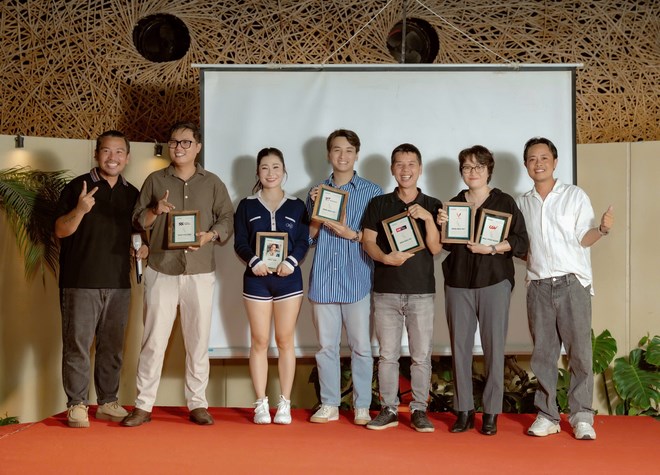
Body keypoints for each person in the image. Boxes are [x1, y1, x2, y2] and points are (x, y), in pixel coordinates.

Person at [121, 121, 234, 427]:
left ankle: (198, 403)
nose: (179, 148)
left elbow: (227, 218)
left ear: (198, 147)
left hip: (200, 271)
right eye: (173, 142)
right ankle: (143, 405)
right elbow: (138, 221)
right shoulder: (155, 180)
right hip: (162, 269)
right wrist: (155, 210)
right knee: (153, 341)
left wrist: (209, 236)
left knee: (197, 341)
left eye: (186, 143)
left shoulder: (212, 183)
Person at [517, 137, 613, 440]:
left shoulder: (574, 196)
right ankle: (547, 416)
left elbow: (584, 237)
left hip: (572, 283)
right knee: (543, 355)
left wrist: (602, 230)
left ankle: (582, 416)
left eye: (544, 157)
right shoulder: (522, 203)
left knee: (580, 353)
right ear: (526, 164)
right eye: (532, 159)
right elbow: (521, 247)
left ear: (555, 162)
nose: (539, 163)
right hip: (538, 285)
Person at [54, 130, 147, 428]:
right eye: (107, 151)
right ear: (96, 154)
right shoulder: (77, 186)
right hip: (80, 281)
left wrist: (142, 247)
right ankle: (77, 405)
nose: (113, 157)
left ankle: (108, 403)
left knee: (112, 348)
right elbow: (60, 230)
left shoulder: (133, 194)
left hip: (119, 283)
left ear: (127, 157)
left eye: (119, 152)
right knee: (77, 346)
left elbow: (137, 235)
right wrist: (81, 209)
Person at [437, 145, 528, 435]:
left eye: (478, 166)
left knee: (494, 348)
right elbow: (443, 245)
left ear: (489, 170)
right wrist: (441, 227)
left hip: (494, 280)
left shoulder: (504, 202)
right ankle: (463, 410)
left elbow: (521, 241)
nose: (472, 172)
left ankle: (491, 412)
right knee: (460, 349)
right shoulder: (453, 204)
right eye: (467, 167)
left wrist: (491, 248)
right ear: (461, 172)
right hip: (458, 282)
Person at [361, 143, 442, 432]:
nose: (405, 170)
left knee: (421, 356)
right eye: (399, 164)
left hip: (421, 291)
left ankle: (419, 409)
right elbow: (367, 241)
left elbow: (435, 248)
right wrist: (385, 257)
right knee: (387, 355)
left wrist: (428, 218)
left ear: (420, 168)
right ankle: (389, 409)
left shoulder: (433, 204)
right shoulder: (379, 204)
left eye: (411, 164)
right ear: (392, 169)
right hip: (386, 291)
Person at [306, 129, 382, 425]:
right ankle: (329, 404)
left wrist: (353, 234)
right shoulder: (317, 191)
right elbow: (309, 239)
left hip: (357, 278)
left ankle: (362, 405)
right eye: (337, 149)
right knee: (326, 347)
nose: (343, 155)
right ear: (329, 154)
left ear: (356, 154)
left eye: (349, 150)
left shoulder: (372, 191)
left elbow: (378, 238)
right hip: (324, 278)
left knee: (361, 347)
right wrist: (315, 210)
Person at [233, 147, 309, 425]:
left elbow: (303, 241)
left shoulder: (297, 205)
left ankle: (284, 403)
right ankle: (261, 404)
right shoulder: (246, 205)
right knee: (259, 341)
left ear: (284, 170)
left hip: (289, 280)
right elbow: (240, 242)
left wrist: (291, 261)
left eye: (276, 167)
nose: (270, 173)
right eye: (265, 167)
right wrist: (254, 261)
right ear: (257, 172)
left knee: (285, 340)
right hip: (257, 281)